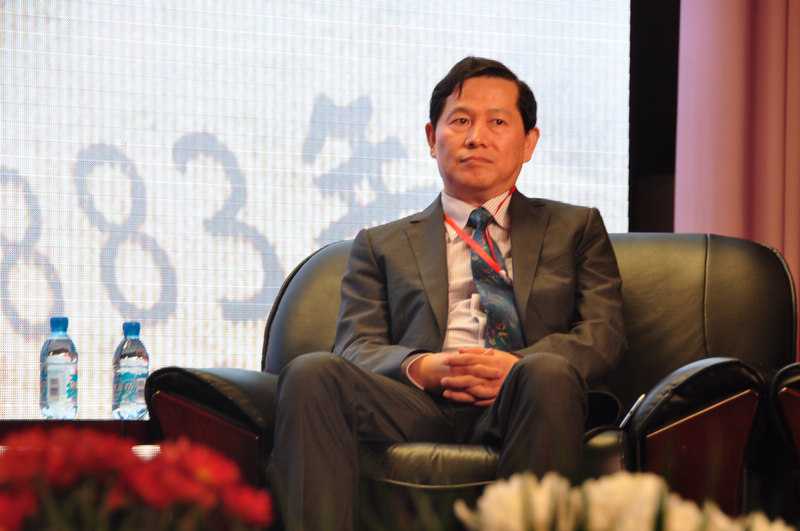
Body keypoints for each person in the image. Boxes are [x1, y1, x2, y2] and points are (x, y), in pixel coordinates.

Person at [273, 56, 626, 530]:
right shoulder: (380, 244)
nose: (476, 137)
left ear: (528, 142)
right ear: (431, 137)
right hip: (416, 405)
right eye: (460, 121)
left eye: (497, 122)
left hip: (526, 398)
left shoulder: (576, 228)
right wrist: (422, 368)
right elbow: (356, 346)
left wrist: (515, 367)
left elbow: (603, 333)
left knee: (545, 372)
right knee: (312, 373)